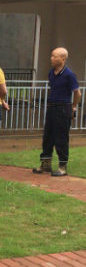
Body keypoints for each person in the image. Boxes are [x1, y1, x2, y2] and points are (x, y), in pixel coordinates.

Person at [33, 47, 81, 177]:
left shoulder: (69, 75)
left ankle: (62, 166)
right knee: (48, 136)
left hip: (63, 107)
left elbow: (77, 93)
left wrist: (73, 107)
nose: (52, 58)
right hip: (52, 106)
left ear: (63, 59)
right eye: (52, 56)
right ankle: (45, 164)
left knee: (61, 137)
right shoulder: (51, 73)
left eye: (55, 56)